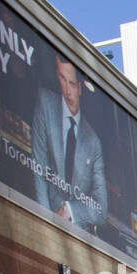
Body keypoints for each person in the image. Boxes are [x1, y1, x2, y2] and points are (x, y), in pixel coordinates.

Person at [31, 55, 106, 229]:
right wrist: (46, 223)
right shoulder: (46, 104)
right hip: (45, 217)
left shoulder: (93, 142)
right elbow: (38, 168)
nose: (67, 91)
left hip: (76, 232)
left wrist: (69, 211)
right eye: (62, 80)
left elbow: (101, 208)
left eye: (72, 84)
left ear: (80, 88)